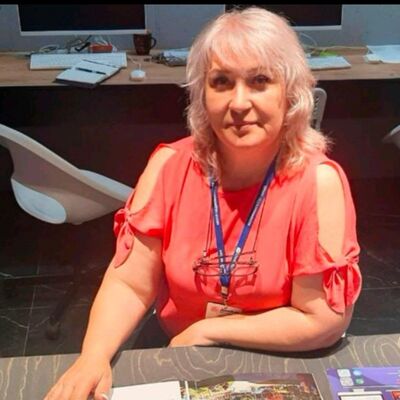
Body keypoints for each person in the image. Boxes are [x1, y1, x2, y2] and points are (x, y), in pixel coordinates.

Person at [44, 6, 362, 400]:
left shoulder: (318, 182)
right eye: (222, 82)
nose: (239, 103)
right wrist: (93, 356)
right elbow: (129, 283)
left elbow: (322, 319)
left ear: (291, 93)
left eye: (260, 80)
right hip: (182, 352)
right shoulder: (169, 165)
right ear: (202, 93)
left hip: (283, 358)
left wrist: (210, 329)